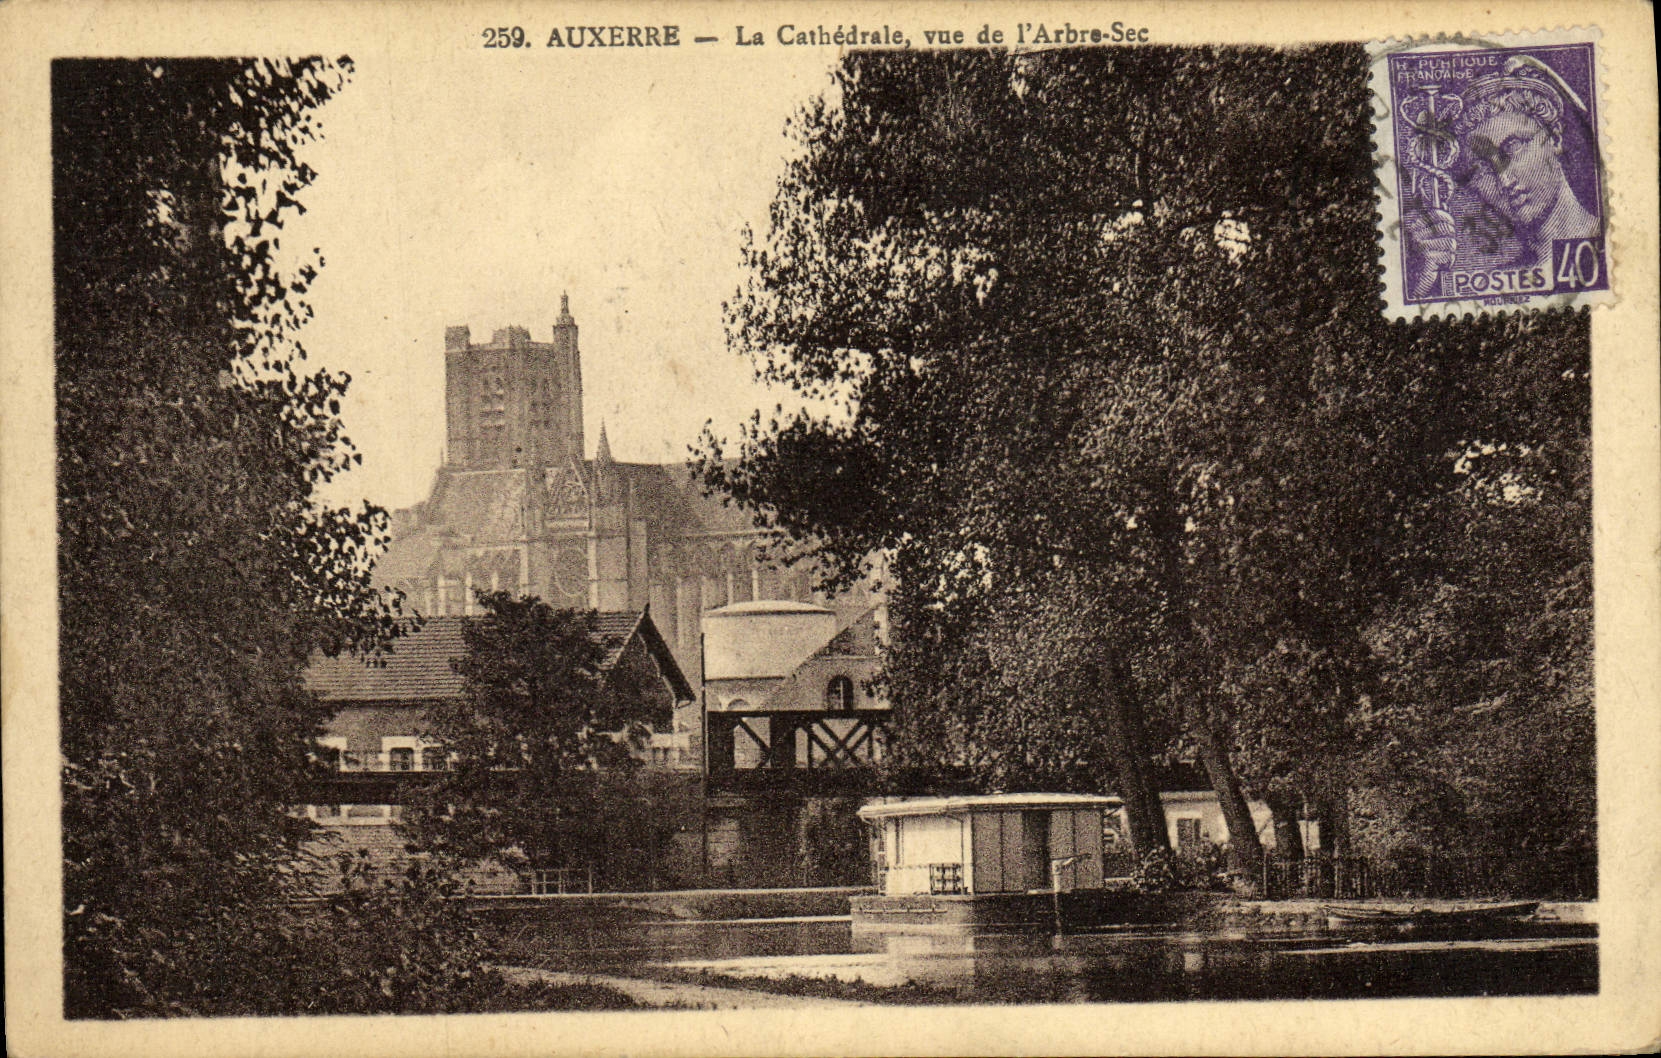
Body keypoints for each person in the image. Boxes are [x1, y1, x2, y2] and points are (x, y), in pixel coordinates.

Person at [1404, 66, 1598, 298]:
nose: (1503, 180)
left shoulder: (1614, 248)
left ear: (1554, 138)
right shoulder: (1497, 283)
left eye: (1513, 146)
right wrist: (1426, 280)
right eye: (1482, 167)